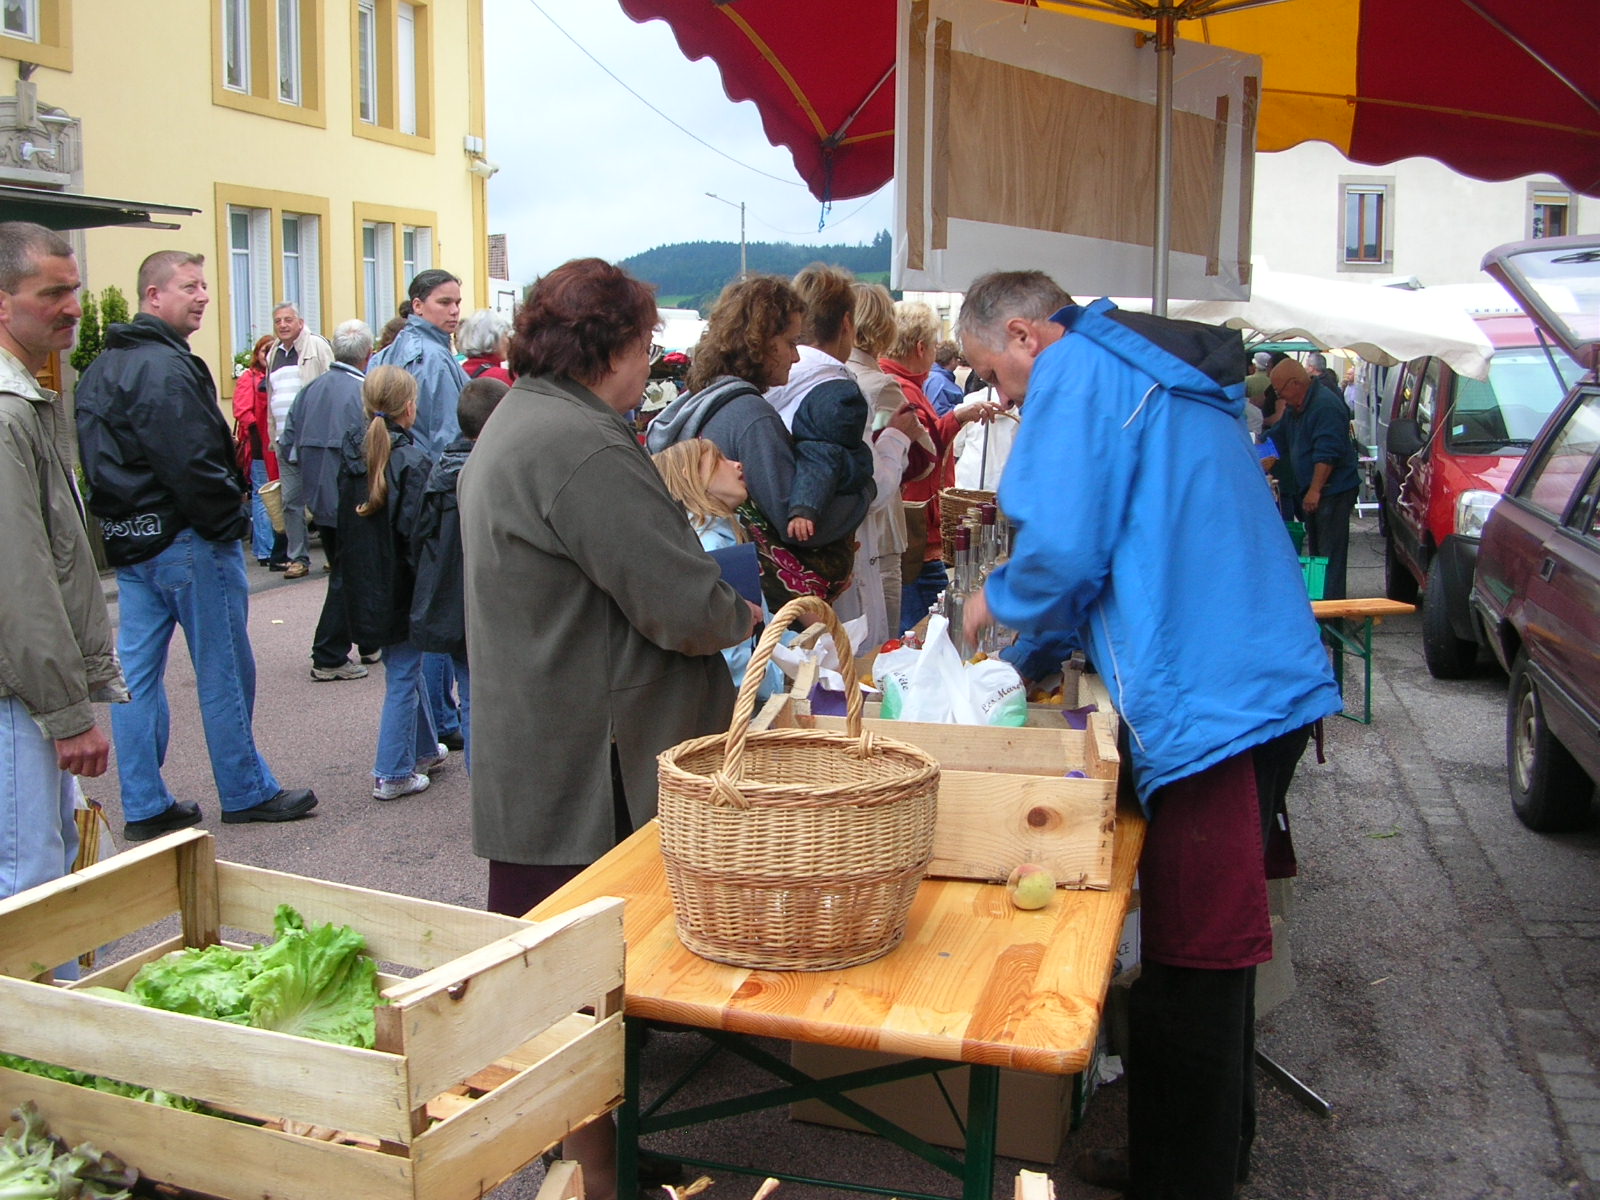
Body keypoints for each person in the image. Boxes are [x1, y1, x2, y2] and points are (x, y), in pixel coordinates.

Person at [955, 270, 1340, 1200]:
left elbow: (1063, 551)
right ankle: (1207, 1156)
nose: (1006, 401)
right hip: (1249, 683)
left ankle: (1186, 1178)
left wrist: (992, 604)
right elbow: (1109, 551)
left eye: (997, 379)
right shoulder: (1139, 367)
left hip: (1215, 703)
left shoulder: (1079, 370)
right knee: (1210, 961)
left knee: (1196, 962)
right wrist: (1037, 647)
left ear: (1023, 335)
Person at [463, 257, 755, 1200]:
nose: (651, 364)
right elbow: (679, 601)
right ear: (609, 351)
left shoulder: (531, 417)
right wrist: (744, 613)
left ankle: (596, 1154)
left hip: (553, 740)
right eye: (643, 347)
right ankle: (594, 1168)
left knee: (572, 989)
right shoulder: (578, 442)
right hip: (585, 764)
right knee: (577, 986)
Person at [75, 250, 318, 839]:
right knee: (224, 669)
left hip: (133, 542)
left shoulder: (102, 369)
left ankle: (144, 802)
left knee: (136, 676)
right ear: (153, 296)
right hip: (185, 539)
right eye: (190, 286)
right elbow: (191, 458)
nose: (203, 295)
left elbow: (99, 463)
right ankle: (244, 788)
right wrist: (226, 521)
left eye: (205, 285)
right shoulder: (163, 367)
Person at [0, 221, 125, 901]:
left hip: (22, 687)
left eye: (74, 290)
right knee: (31, 884)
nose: (73, 306)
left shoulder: (22, 398)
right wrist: (68, 710)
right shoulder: (6, 411)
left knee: (46, 870)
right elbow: (19, 578)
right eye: (52, 293)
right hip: (16, 691)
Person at [647, 275, 868, 609]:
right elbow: (796, 526)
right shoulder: (751, 416)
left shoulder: (700, 402)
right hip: (762, 606)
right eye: (791, 343)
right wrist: (865, 492)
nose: (796, 358)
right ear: (762, 343)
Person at [335, 366, 446, 801]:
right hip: (401, 581)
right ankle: (391, 771)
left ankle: (419, 748)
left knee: (404, 667)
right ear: (410, 407)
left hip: (364, 578)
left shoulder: (352, 454)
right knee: (402, 673)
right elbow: (418, 536)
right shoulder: (412, 461)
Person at [372, 269, 471, 751]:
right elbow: (455, 437)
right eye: (444, 302)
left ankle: (429, 728)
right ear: (417, 306)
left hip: (395, 484)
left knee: (422, 608)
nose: (453, 311)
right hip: (432, 488)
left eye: (457, 302)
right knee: (439, 606)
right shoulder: (432, 356)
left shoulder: (389, 351)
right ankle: (444, 717)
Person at [410, 374, 510, 773]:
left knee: (470, 694)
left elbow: (421, 538)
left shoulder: (439, 472)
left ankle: (477, 783)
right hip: (485, 599)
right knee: (493, 700)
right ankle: (489, 782)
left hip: (450, 601)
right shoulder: (493, 474)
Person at [881, 300, 993, 632]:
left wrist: (956, 418)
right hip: (914, 531)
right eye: (932, 346)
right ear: (920, 348)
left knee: (928, 624)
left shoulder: (900, 384)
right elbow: (920, 457)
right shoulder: (898, 390)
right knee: (931, 630)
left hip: (912, 527)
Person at [281, 318, 378, 681]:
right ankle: (329, 652)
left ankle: (365, 641)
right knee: (349, 574)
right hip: (350, 497)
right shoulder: (365, 393)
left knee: (345, 570)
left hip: (318, 494)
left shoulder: (311, 389)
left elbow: (288, 443)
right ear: (368, 355)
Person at [652, 438, 783, 703]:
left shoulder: (720, 535)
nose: (737, 465)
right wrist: (778, 684)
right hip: (749, 706)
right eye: (719, 459)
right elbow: (732, 654)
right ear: (692, 476)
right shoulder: (711, 545)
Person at [846, 282, 925, 643]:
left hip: (841, 527)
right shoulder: (881, 386)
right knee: (879, 643)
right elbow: (923, 459)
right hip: (879, 524)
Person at [1270, 357, 1361, 600]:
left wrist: (1315, 490)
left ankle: (1333, 625)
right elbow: (1278, 435)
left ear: (1296, 383)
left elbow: (1327, 453)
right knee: (1318, 556)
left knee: (1329, 559)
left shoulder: (1325, 405)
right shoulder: (1296, 407)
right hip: (1316, 488)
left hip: (1333, 491)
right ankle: (1323, 617)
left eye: (1280, 391)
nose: (1281, 397)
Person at [264, 302, 332, 579]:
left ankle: (332, 554)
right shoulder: (273, 354)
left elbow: (331, 385)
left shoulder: (316, 346)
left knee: (323, 498)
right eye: (278, 320)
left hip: (313, 437)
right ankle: (297, 558)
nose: (282, 325)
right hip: (284, 439)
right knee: (291, 500)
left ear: (300, 321)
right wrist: (272, 436)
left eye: (288, 319)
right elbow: (271, 397)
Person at [231, 334, 286, 568]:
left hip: (275, 446)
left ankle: (275, 548)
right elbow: (242, 412)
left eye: (273, 350)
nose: (268, 355)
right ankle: (265, 549)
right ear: (257, 353)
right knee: (263, 498)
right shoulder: (249, 378)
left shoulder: (276, 376)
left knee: (275, 498)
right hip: (259, 448)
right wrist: (257, 434)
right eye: (265, 350)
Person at [457, 308, 514, 384]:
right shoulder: (503, 377)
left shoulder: (459, 372)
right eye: (506, 334)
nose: (509, 341)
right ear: (493, 338)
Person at [925, 340, 964, 415]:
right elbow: (939, 412)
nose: (958, 361)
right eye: (957, 358)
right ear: (953, 360)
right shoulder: (939, 381)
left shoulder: (932, 375)